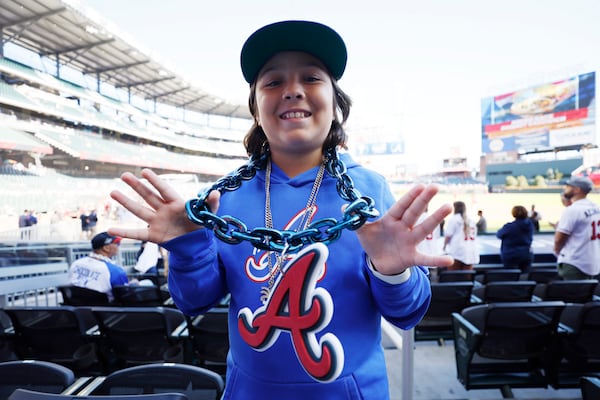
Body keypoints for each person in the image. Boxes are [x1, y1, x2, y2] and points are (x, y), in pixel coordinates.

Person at [108, 20, 453, 399]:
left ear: (336, 104)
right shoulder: (225, 198)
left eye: (310, 78)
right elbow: (194, 301)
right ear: (256, 107)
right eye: (273, 82)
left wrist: (393, 271)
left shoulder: (368, 192)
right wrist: (187, 247)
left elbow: (407, 313)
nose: (292, 91)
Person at [554, 176, 600, 280]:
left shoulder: (572, 210)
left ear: (577, 189)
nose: (565, 188)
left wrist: (557, 251)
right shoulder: (596, 207)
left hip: (575, 262)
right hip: (593, 261)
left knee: (573, 295)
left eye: (568, 186)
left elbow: (559, 239)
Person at [68, 231, 129, 301]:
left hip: (76, 308)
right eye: (117, 243)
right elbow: (125, 295)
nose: (119, 246)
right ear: (106, 248)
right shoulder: (115, 271)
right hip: (104, 310)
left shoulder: (76, 263)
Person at [496, 205, 534, 272]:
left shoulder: (509, 226)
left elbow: (499, 235)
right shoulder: (529, 225)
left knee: (510, 275)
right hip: (526, 254)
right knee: (525, 275)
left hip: (510, 255)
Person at [443, 201, 480, 270]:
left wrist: (444, 246)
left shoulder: (454, 219)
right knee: (467, 278)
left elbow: (448, 235)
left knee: (453, 277)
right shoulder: (471, 220)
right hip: (470, 251)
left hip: (457, 251)